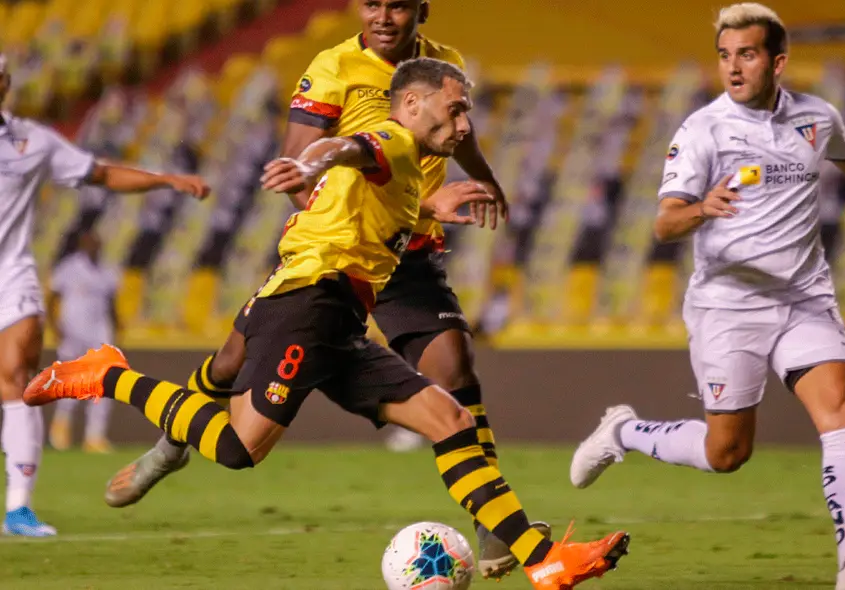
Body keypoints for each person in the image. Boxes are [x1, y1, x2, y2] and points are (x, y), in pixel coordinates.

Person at [25, 58, 630, 590]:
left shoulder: (411, 169)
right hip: (306, 306)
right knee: (238, 448)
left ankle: (545, 562)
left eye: (467, 112)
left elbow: (362, 188)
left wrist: (427, 207)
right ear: (413, 103)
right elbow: (346, 148)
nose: (466, 124)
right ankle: (110, 375)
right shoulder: (391, 138)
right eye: (455, 108)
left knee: (449, 419)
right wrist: (307, 160)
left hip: (340, 318)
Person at [104, 0, 542, 580]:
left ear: (422, 10)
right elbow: (310, 154)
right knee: (229, 366)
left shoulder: (444, 72)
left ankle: (492, 521)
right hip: (336, 252)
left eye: (397, 6)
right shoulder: (333, 68)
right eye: (371, 4)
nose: (383, 16)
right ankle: (170, 445)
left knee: (455, 370)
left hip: (407, 250)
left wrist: (481, 176)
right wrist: (326, 194)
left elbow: (457, 138)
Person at [569, 4, 845, 590]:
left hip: (804, 299)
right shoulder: (702, 130)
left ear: (777, 61)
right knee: (726, 453)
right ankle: (623, 432)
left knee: (842, 403)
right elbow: (663, 225)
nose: (733, 67)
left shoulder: (815, 118)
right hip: (728, 307)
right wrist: (700, 209)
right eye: (724, 55)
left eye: (746, 54)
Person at [0, 54, 210, 537]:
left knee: (16, 378)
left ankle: (18, 509)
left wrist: (164, 179)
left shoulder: (32, 142)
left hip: (13, 276)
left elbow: (101, 173)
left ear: (6, 83)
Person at [46, 229, 121, 454]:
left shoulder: (108, 270)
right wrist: (55, 326)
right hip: (73, 331)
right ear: (82, 245)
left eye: (97, 244)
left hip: (100, 332)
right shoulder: (69, 268)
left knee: (105, 383)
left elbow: (112, 302)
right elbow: (52, 298)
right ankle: (61, 430)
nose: (94, 248)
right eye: (90, 244)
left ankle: (94, 436)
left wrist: (118, 326)